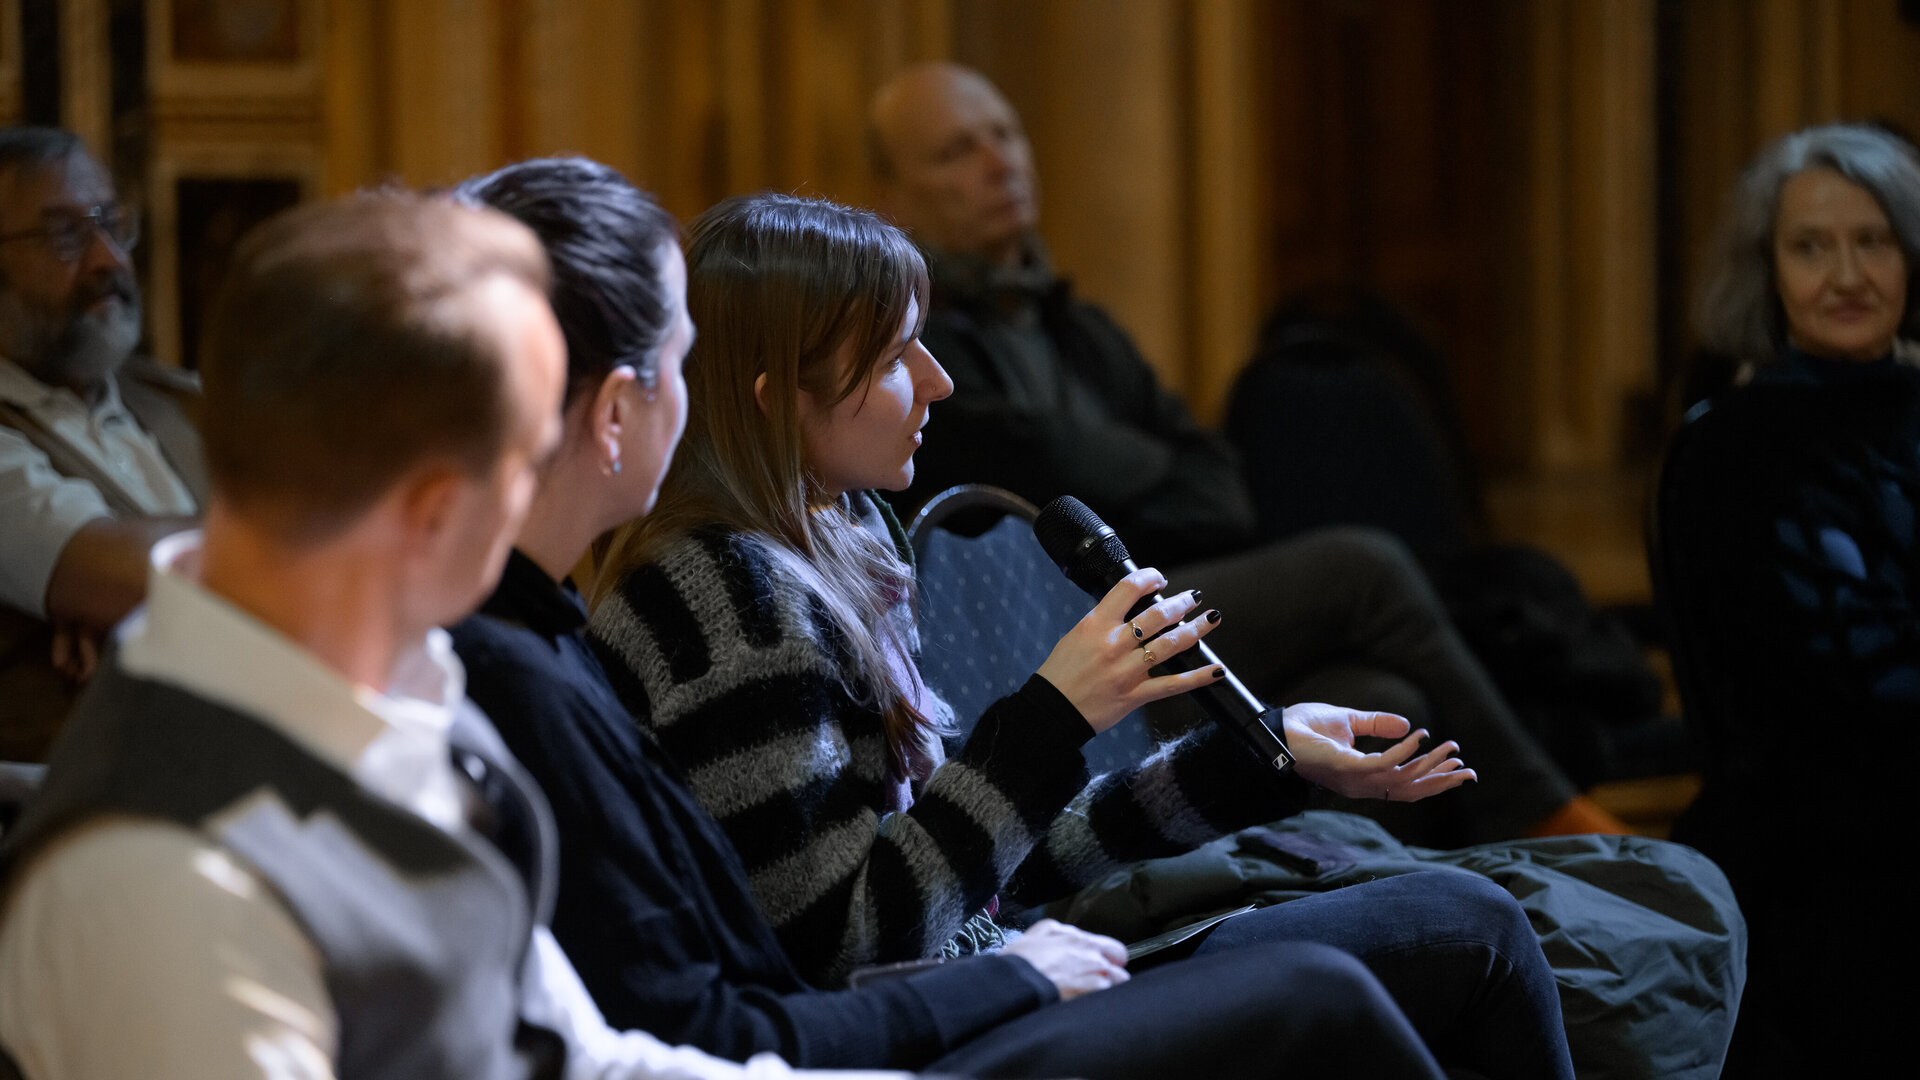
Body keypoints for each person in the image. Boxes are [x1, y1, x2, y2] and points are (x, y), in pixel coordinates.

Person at [448, 156, 1473, 1079]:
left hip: (980, 983)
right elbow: (849, 948)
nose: (937, 382)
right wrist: (1047, 722)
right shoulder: (727, 596)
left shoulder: (834, 538)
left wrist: (1259, 755)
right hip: (935, 1027)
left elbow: (988, 874)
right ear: (774, 402)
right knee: (1451, 934)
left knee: (1459, 919)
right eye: (895, 358)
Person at [0, 190, 905, 1080]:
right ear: (436, 511)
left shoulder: (410, 687)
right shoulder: (162, 882)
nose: (542, 499)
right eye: (524, 461)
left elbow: (584, 1060)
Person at [865, 63, 1628, 844]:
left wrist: (1112, 468)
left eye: (1005, 133)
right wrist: (1124, 469)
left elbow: (1220, 490)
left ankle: (1315, 914)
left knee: (1378, 695)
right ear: (893, 194)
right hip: (1053, 660)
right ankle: (1547, 815)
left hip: (1161, 609)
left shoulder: (1079, 328)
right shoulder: (918, 354)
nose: (1001, 163)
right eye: (957, 151)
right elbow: (1056, 476)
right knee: (1360, 569)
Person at [1664, 122, 1920, 1076]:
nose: (1847, 274)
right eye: (1811, 246)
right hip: (1825, 846)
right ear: (1766, 273)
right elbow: (1841, 685)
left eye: (1875, 240)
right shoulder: (1736, 447)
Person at [0, 126, 201, 760]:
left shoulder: (191, 400)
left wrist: (143, 599)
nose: (108, 258)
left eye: (111, 223)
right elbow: (140, 580)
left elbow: (345, 524)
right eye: (65, 235)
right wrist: (123, 580)